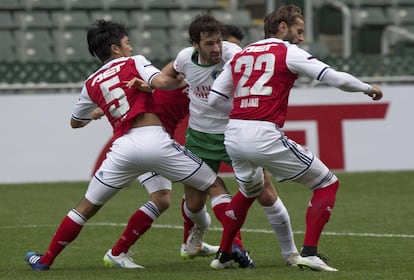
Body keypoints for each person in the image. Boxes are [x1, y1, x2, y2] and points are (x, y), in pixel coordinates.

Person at [24, 19, 235, 271]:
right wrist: (182, 80)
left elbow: (75, 122)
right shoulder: (134, 62)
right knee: (214, 184)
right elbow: (160, 83)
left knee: (87, 207)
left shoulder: (90, 83)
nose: (131, 47)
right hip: (155, 141)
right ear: (115, 48)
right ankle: (232, 248)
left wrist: (95, 113)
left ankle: (46, 259)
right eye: (126, 42)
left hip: (122, 148)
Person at [208, 4, 383, 271]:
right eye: (298, 31)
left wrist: (244, 112)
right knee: (327, 183)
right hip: (263, 132)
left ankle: (223, 254)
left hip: (233, 134)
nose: (301, 37)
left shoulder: (240, 55)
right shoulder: (288, 51)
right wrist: (367, 88)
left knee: (248, 190)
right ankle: (310, 252)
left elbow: (214, 100)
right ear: (282, 28)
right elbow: (333, 78)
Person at [162, 15, 300, 267]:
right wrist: (152, 85)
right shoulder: (184, 58)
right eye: (209, 44)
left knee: (266, 194)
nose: (216, 49)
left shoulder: (234, 54)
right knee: (193, 203)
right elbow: (165, 76)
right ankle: (199, 237)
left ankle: (290, 253)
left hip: (233, 133)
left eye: (219, 42)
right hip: (199, 137)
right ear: (195, 45)